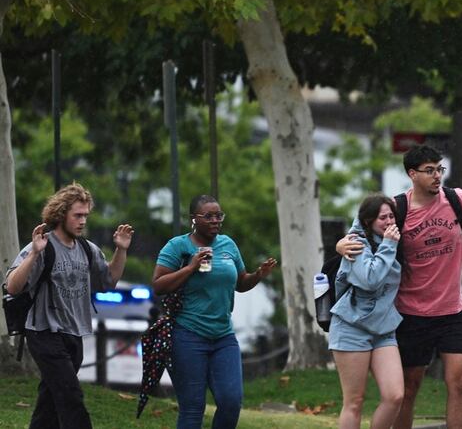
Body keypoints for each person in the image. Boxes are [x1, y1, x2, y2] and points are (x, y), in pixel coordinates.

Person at [338, 144, 462, 429]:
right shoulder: (399, 208)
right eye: (429, 170)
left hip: (452, 311)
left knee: (458, 384)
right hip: (410, 313)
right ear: (412, 174)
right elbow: (361, 228)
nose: (437, 176)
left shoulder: (458, 200)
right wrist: (341, 243)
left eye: (439, 169)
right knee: (408, 389)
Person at [5, 182, 134, 429]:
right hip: (43, 332)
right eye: (77, 215)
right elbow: (12, 287)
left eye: (85, 215)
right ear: (61, 214)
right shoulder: (43, 245)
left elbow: (108, 283)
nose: (83, 221)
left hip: (74, 333)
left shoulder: (87, 249)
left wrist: (121, 250)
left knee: (50, 400)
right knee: (70, 395)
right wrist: (33, 254)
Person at [151, 195, 278, 429]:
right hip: (187, 335)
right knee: (192, 408)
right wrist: (191, 267)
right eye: (208, 216)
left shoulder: (228, 244)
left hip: (223, 337)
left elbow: (241, 283)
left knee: (231, 402)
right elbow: (158, 285)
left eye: (218, 215)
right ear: (193, 219)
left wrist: (258, 275)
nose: (215, 220)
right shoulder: (178, 246)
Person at [329, 194, 404, 429]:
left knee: (395, 396)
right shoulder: (355, 243)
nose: (389, 221)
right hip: (351, 327)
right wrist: (389, 246)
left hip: (383, 327)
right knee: (354, 402)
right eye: (382, 217)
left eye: (392, 216)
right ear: (369, 220)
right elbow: (369, 279)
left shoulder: (391, 238)